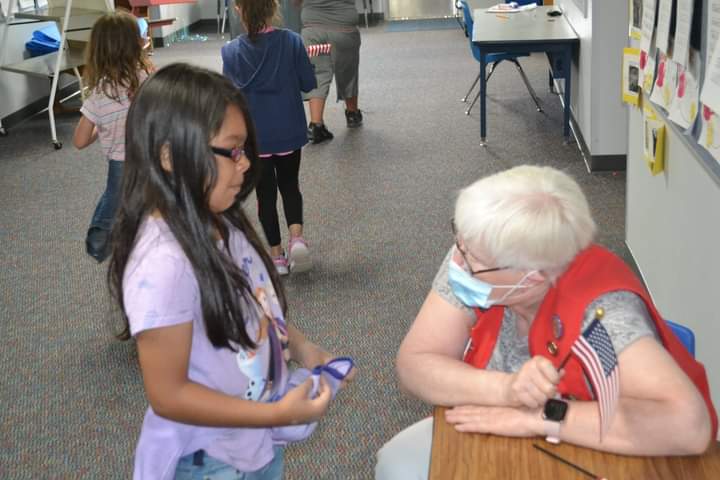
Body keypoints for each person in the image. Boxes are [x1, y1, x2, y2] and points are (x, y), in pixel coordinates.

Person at [375, 165, 717, 479]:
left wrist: (539, 417)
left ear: (534, 276)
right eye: (459, 243)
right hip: (495, 430)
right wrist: (506, 390)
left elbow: (688, 425)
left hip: (599, 451)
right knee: (396, 463)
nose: (457, 263)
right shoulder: (477, 256)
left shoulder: (602, 317)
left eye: (472, 257)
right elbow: (414, 364)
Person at [108, 63, 354, 479]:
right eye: (232, 150)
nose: (245, 165)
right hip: (207, 458)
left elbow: (253, 306)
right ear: (170, 154)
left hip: (251, 438)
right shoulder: (164, 266)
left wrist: (302, 347)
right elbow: (168, 395)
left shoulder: (220, 221)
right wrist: (273, 414)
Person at [222, 0, 316, 275]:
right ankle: (296, 237)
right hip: (288, 130)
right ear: (274, 8)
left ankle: (276, 256)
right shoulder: (292, 42)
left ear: (239, 10)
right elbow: (308, 84)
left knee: (265, 194)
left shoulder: (231, 52)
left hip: (255, 137)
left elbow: (230, 99)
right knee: (290, 185)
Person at [73, 10, 153, 263]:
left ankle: (102, 245)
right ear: (136, 44)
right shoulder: (150, 79)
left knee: (115, 203)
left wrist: (101, 124)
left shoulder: (99, 94)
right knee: (151, 206)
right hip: (152, 158)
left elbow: (79, 140)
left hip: (121, 163)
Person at [293, 0, 363, 144]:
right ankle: (352, 114)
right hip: (344, 28)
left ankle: (315, 125)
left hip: (312, 28)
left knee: (317, 74)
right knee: (348, 71)